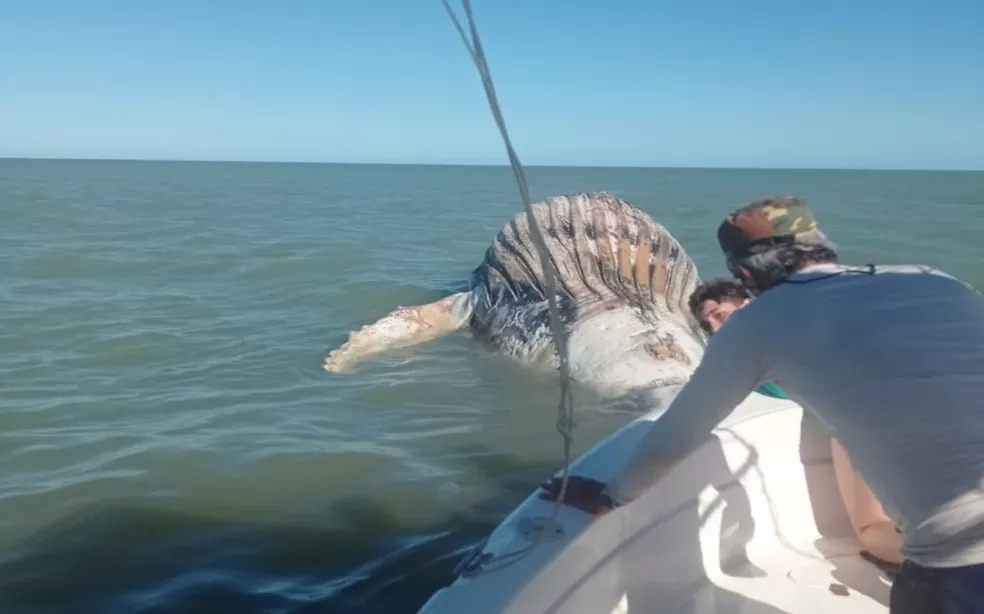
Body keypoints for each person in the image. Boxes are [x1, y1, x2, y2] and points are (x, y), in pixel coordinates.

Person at [539, 196, 984, 613]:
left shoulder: (759, 322)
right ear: (822, 245)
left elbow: (678, 435)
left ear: (746, 277)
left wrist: (612, 496)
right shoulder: (934, 280)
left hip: (958, 556)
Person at [690, 278, 903, 567]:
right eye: (707, 326)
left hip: (864, 418)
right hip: (906, 409)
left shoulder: (761, 356)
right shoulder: (809, 327)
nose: (715, 330)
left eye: (720, 316)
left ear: (750, 306)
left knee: (872, 534)